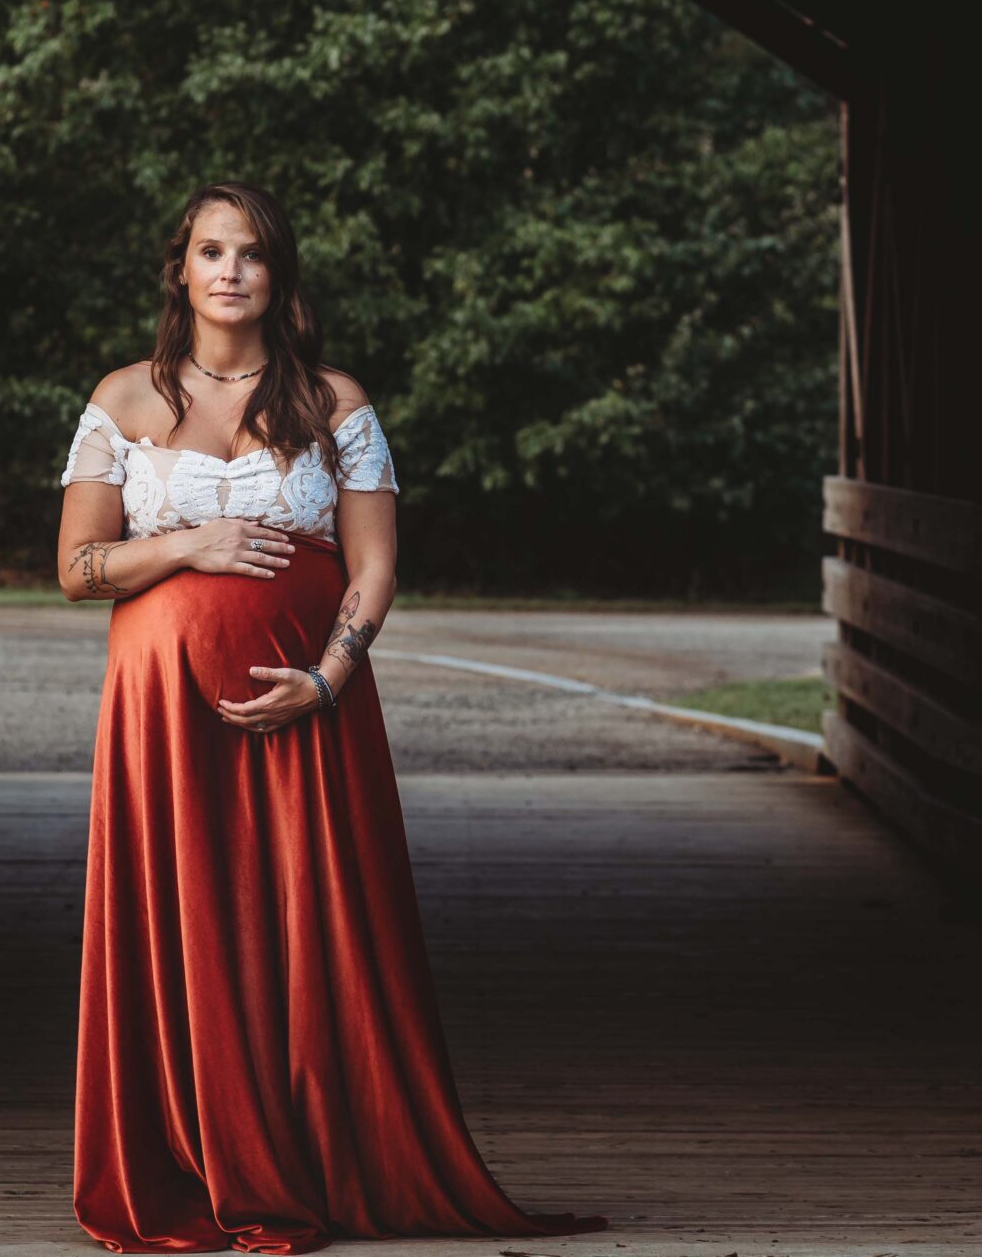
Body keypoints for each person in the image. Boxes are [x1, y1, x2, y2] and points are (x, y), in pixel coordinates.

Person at [55, 180, 608, 1255]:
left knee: (304, 927)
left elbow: (373, 564)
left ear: (278, 275)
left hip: (308, 711)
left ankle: (309, 1146)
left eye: (251, 254)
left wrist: (329, 677)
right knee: (185, 917)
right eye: (210, 251)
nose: (229, 271)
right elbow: (77, 569)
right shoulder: (122, 400)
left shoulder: (334, 402)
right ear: (180, 269)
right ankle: (189, 1152)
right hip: (160, 719)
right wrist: (187, 546)